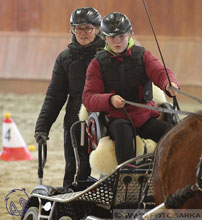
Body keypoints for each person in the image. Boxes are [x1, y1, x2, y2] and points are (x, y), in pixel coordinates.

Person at [82, 12, 179, 164]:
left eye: (121, 36)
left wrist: (169, 84)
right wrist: (110, 100)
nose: (117, 41)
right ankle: (126, 175)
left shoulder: (143, 55)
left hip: (145, 117)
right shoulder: (97, 64)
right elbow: (88, 98)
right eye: (112, 37)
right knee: (123, 131)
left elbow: (160, 72)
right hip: (117, 118)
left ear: (130, 34)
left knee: (172, 133)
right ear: (105, 38)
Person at [34, 7, 105, 188]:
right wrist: (43, 126)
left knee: (108, 167)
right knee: (75, 170)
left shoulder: (108, 56)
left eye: (87, 28)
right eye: (78, 28)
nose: (82, 33)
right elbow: (55, 95)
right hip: (75, 122)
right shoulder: (64, 58)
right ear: (72, 30)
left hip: (105, 120)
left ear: (97, 29)